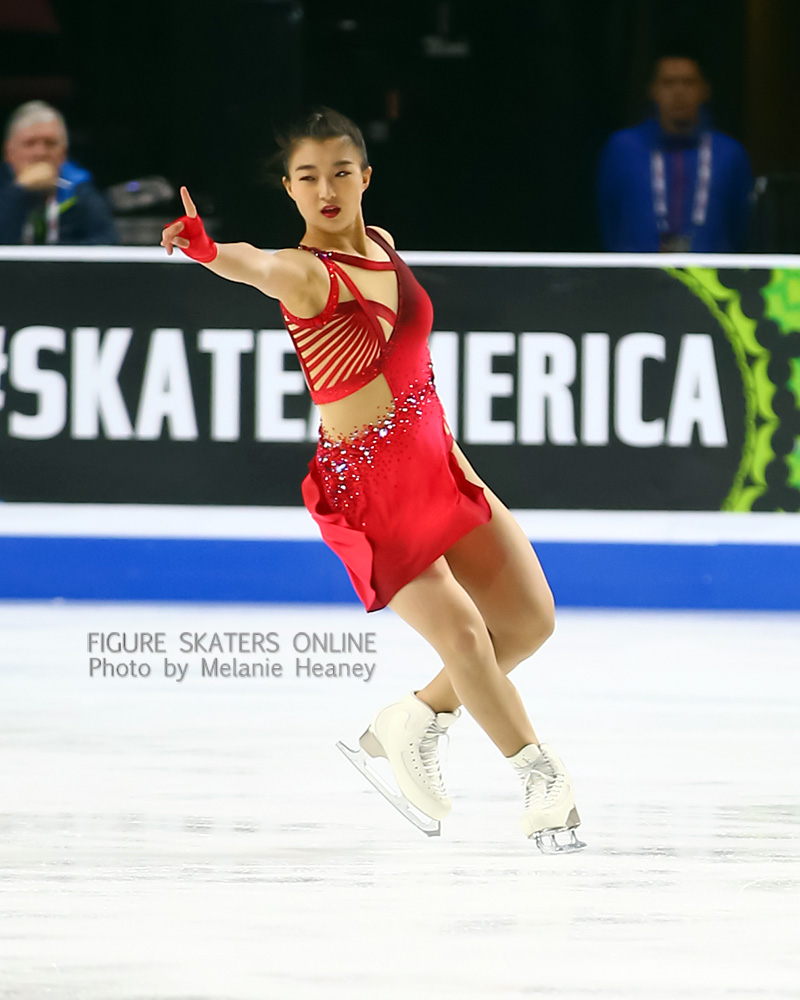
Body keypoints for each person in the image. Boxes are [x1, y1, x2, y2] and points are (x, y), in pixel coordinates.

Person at [161, 107, 584, 853]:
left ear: (365, 177)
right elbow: (255, 264)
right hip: (369, 489)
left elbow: (414, 374)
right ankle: (540, 778)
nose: (326, 190)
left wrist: (456, 466)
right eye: (307, 177)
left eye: (340, 173)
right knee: (463, 633)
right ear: (289, 189)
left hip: (441, 463)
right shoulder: (305, 273)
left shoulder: (384, 246)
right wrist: (208, 251)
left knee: (527, 622)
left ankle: (413, 720)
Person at [598, 53, 752, 252]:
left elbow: (740, 226)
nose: (678, 92)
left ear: (705, 90)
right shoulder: (623, 148)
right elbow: (609, 220)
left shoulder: (730, 153)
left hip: (709, 269)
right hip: (638, 268)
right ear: (653, 90)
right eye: (668, 83)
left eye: (688, 83)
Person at [0, 100, 118, 245]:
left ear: (63, 153)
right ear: (9, 152)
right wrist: (19, 191)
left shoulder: (78, 189)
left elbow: (108, 242)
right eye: (30, 143)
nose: (41, 153)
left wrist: (51, 254)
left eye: (50, 143)